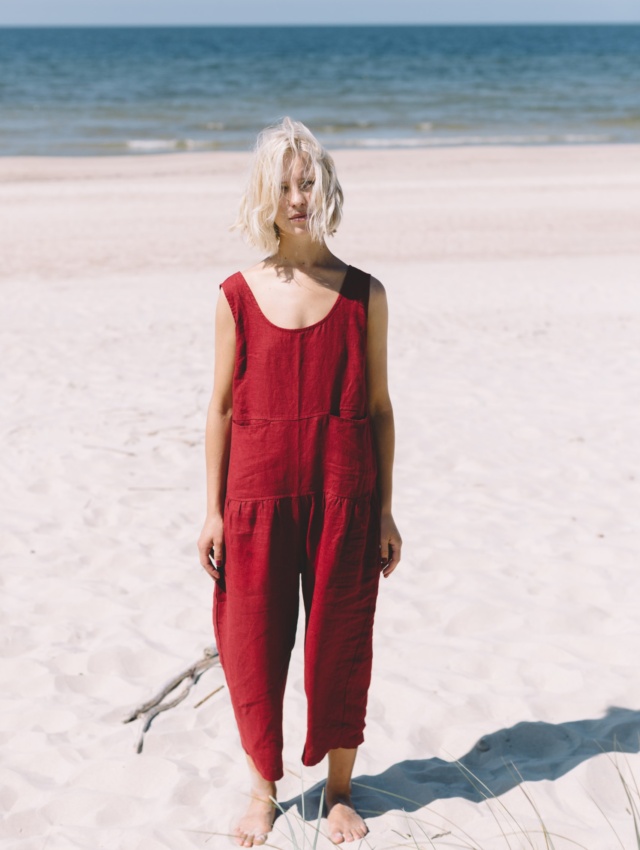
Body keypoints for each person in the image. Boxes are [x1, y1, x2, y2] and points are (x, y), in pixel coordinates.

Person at [197, 116, 402, 847]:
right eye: (284, 183)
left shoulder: (364, 294)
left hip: (344, 492)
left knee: (340, 639)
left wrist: (384, 510)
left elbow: (378, 408)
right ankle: (264, 791)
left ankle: (340, 791)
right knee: (252, 641)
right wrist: (214, 510)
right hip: (255, 497)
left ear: (327, 186)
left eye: (307, 180)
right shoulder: (235, 294)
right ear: (265, 193)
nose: (297, 195)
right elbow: (220, 406)